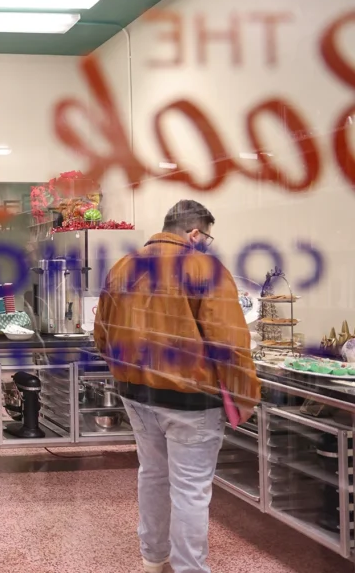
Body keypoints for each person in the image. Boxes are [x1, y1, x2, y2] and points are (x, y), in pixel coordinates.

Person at [94, 200, 260, 573]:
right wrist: (245, 394)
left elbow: (102, 333)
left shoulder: (124, 265)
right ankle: (189, 568)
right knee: (190, 489)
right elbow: (229, 343)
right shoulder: (205, 268)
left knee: (152, 474)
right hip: (191, 402)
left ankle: (153, 558)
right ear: (195, 233)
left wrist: (125, 370)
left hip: (135, 394)